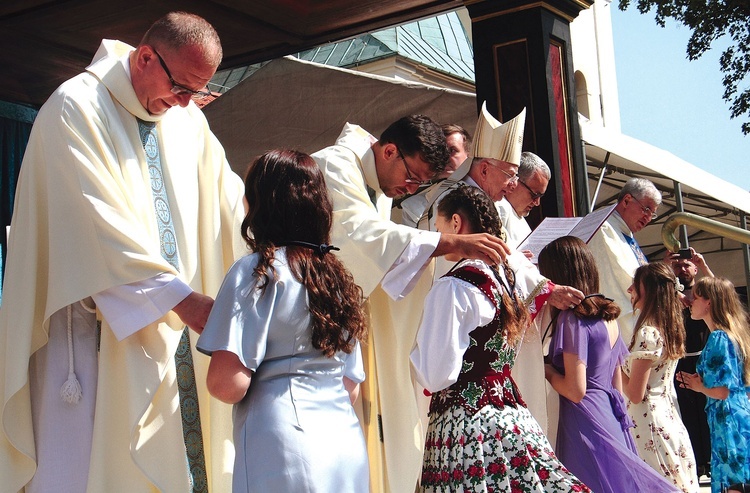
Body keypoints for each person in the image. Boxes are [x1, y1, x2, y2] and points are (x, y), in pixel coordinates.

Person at [0, 12, 246, 492]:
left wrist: (277, 253)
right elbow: (95, 223)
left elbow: (231, 204)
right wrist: (184, 301)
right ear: (146, 56)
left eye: (196, 92)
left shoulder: (189, 122)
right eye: (180, 87)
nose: (184, 103)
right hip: (89, 336)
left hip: (175, 336)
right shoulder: (76, 106)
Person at [311, 113, 510, 492]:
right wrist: (449, 244)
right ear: (389, 151)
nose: (410, 188)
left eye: (421, 183)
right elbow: (358, 236)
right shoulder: (335, 165)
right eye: (412, 177)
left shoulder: (377, 183)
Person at [399, 103, 584, 434]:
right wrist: (544, 288)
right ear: (484, 170)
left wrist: (542, 285)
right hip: (458, 322)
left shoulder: (493, 205)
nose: (513, 185)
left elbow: (507, 257)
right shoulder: (451, 201)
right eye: (510, 174)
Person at [197, 150, 369, 492]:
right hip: (344, 446)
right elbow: (350, 387)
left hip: (282, 445)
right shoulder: (336, 277)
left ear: (260, 204)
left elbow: (227, 384)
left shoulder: (258, 271)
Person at [411, 186, 590, 492]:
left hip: (464, 424)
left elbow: (436, 373)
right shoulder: (510, 279)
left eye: (439, 227)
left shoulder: (453, 286)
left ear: (456, 224)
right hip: (510, 412)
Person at [538, 236, 679, 493]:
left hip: (583, 419)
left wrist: (544, 369)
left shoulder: (572, 319)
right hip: (611, 413)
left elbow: (575, 390)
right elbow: (616, 382)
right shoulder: (609, 317)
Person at [621, 262, 700, 493]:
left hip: (649, 424)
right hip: (667, 417)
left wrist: (612, 364)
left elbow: (636, 394)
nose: (629, 290)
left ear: (649, 290)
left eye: (635, 285)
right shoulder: (669, 329)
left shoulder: (648, 332)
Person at [678, 277, 750, 493]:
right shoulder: (733, 334)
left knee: (734, 483)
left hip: (727, 420)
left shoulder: (719, 337)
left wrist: (697, 386)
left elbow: (722, 391)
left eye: (696, 297)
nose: (691, 301)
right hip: (735, 415)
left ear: (709, 302)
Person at [588, 177, 662, 344]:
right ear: (627, 200)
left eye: (652, 213)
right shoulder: (604, 228)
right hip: (611, 324)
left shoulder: (625, 234)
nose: (648, 217)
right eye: (646, 209)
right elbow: (622, 278)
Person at [667, 248, 714, 478]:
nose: (682, 269)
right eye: (677, 265)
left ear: (695, 268)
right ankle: (697, 462)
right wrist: (666, 270)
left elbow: (721, 294)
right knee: (686, 414)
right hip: (680, 362)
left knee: (707, 413)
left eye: (687, 265)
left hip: (704, 360)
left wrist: (704, 264)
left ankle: (712, 460)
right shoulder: (668, 292)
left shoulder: (703, 293)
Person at [497, 151, 551, 249]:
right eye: (534, 195)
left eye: (540, 196)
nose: (537, 203)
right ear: (516, 182)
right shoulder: (499, 207)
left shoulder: (519, 218)